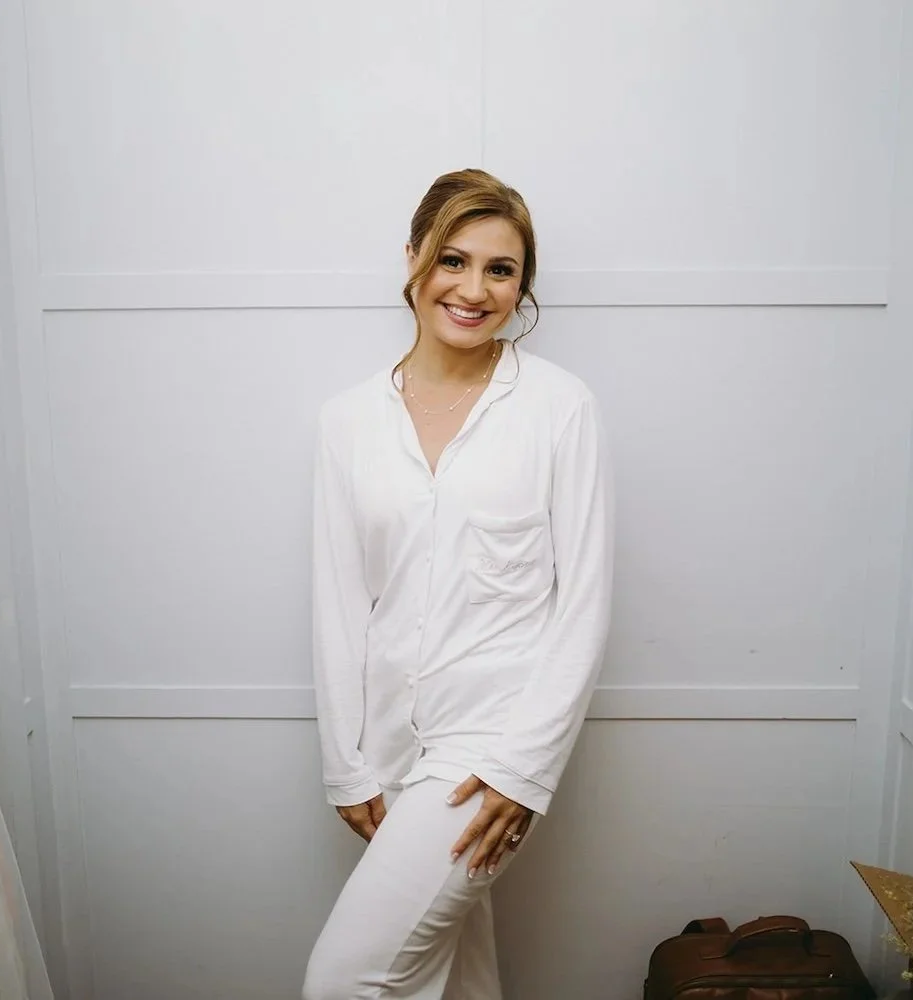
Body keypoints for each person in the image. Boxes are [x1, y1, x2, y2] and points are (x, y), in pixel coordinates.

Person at [301, 168, 615, 1000]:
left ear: (523, 285)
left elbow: (584, 602)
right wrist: (346, 765)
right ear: (413, 256)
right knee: (456, 978)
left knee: (344, 980)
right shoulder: (346, 420)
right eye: (453, 260)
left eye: (500, 270)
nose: (474, 291)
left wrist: (523, 768)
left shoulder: (560, 408)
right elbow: (339, 602)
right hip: (389, 748)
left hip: (488, 750)